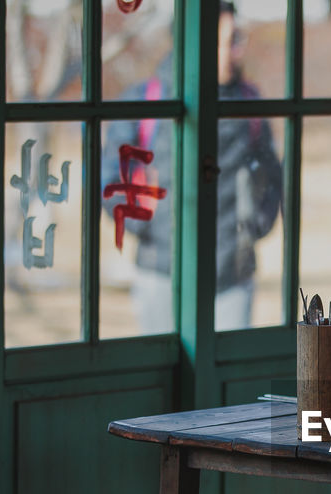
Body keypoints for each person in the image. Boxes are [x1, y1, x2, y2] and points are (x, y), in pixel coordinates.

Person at [103, 1, 282, 334]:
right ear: (194, 43)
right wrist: (144, 223)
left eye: (236, 39)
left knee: (225, 382)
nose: (234, 51)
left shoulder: (251, 103)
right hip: (160, 275)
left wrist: (254, 224)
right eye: (224, 41)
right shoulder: (147, 99)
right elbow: (110, 178)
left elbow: (272, 174)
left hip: (232, 278)